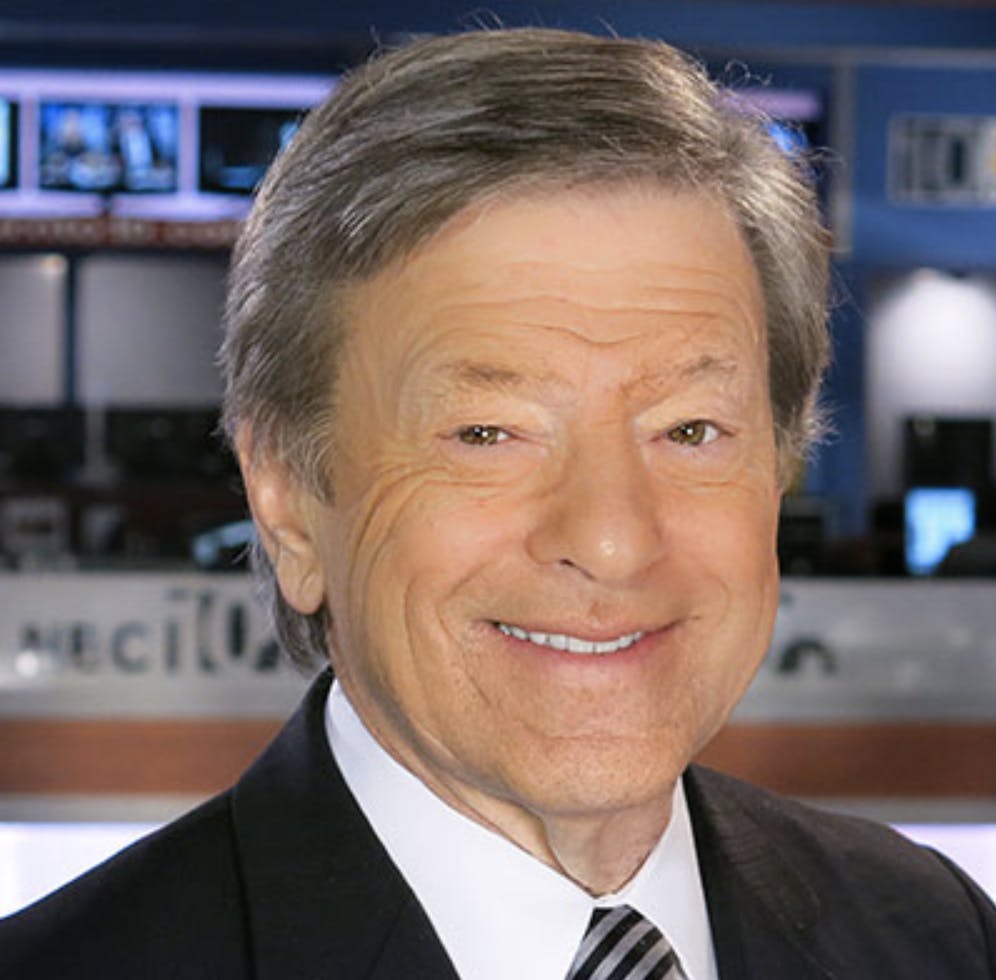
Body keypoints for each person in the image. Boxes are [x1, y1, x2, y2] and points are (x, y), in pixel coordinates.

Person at [2, 28, 994, 980]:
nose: (611, 538)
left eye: (690, 430)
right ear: (289, 498)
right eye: (487, 433)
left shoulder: (937, 934)